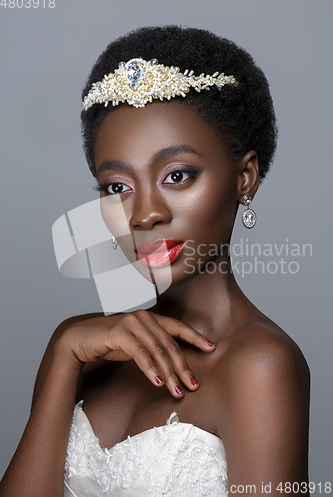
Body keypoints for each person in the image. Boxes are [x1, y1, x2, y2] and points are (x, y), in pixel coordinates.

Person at [0, 25, 310, 497]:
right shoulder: (87, 354)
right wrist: (63, 349)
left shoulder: (259, 365)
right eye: (117, 187)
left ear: (245, 177)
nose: (145, 214)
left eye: (177, 175)